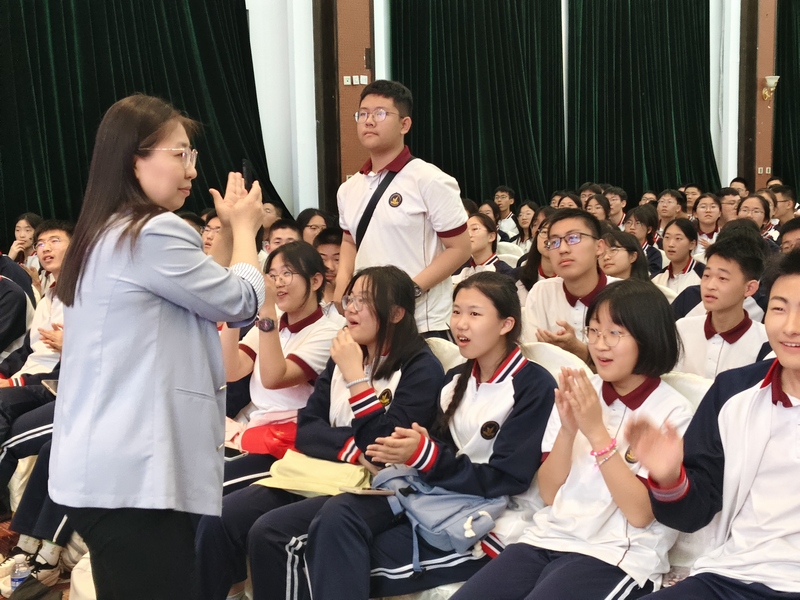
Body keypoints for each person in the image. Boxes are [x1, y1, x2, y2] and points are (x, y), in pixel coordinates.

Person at [48, 94, 266, 599]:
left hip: (110, 465)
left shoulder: (106, 231)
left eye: (193, 156)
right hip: (134, 473)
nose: (191, 169)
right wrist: (247, 229)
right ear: (135, 159)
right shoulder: (152, 231)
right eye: (180, 154)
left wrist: (231, 232)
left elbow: (208, 288)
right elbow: (239, 300)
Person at [193, 265, 444, 600]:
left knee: (271, 534)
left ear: (397, 313)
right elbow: (308, 430)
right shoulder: (343, 353)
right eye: (350, 297)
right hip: (317, 470)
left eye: (363, 301)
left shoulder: (419, 367)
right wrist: (352, 448)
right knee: (220, 517)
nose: (350, 308)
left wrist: (355, 376)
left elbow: (383, 451)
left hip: (375, 487)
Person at [305, 272, 556, 599]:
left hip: (486, 518)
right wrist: (419, 451)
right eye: (456, 311)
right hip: (435, 496)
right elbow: (426, 451)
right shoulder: (456, 379)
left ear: (506, 324)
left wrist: (426, 455)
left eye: (474, 314)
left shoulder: (532, 385)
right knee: (337, 517)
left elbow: (507, 479)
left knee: (336, 557)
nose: (460, 324)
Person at [452, 279, 693, 599]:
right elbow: (551, 494)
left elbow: (640, 514)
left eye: (614, 333)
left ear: (649, 336)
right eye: (594, 331)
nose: (600, 344)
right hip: (546, 538)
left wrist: (596, 433)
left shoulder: (674, 412)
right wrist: (567, 430)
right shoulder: (581, 391)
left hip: (615, 555)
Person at [627, 249, 800, 599]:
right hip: (730, 573)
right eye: (780, 308)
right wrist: (670, 477)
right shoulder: (733, 392)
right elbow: (693, 514)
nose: (791, 326)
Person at [334, 80, 470, 338]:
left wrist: (410, 290)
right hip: (367, 321)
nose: (369, 121)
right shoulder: (349, 188)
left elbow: (461, 249)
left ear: (404, 125)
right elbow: (349, 241)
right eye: (363, 114)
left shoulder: (429, 179)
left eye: (380, 113)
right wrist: (342, 286)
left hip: (419, 322)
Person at [220, 241, 340, 493]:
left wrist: (266, 312)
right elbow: (231, 370)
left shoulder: (328, 332)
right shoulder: (275, 324)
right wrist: (233, 312)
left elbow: (275, 377)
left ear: (316, 281)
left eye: (287, 273)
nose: (278, 282)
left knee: (215, 487)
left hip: (296, 440)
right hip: (259, 431)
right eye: (272, 275)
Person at [523, 209, 616, 363]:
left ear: (599, 247)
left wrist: (579, 351)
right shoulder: (542, 292)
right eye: (554, 242)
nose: (563, 249)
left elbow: (632, 369)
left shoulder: (625, 296)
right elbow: (533, 357)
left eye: (573, 238)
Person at [674, 236, 768, 379]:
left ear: (749, 288)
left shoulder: (765, 341)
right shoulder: (682, 329)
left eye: (722, 278)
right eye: (706, 275)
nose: (710, 285)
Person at [452, 213, 515, 285]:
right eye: (466, 231)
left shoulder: (505, 274)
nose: (468, 235)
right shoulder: (461, 270)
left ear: (491, 236)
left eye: (475, 229)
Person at [651, 218, 704, 294]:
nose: (671, 244)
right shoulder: (655, 279)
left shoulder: (704, 276)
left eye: (678, 238)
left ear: (692, 244)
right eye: (667, 237)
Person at [313, 226, 344, 317]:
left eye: (337, 259)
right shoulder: (307, 300)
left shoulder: (353, 304)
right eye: (323, 259)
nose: (329, 267)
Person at [624, 205, 663, 276]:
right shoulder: (618, 249)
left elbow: (651, 278)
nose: (632, 227)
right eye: (628, 222)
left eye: (638, 223)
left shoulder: (653, 254)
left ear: (649, 229)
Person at [692, 193, 722, 259]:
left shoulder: (726, 235)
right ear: (695, 213)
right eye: (703, 207)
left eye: (713, 207)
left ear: (720, 213)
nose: (708, 210)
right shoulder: (688, 234)